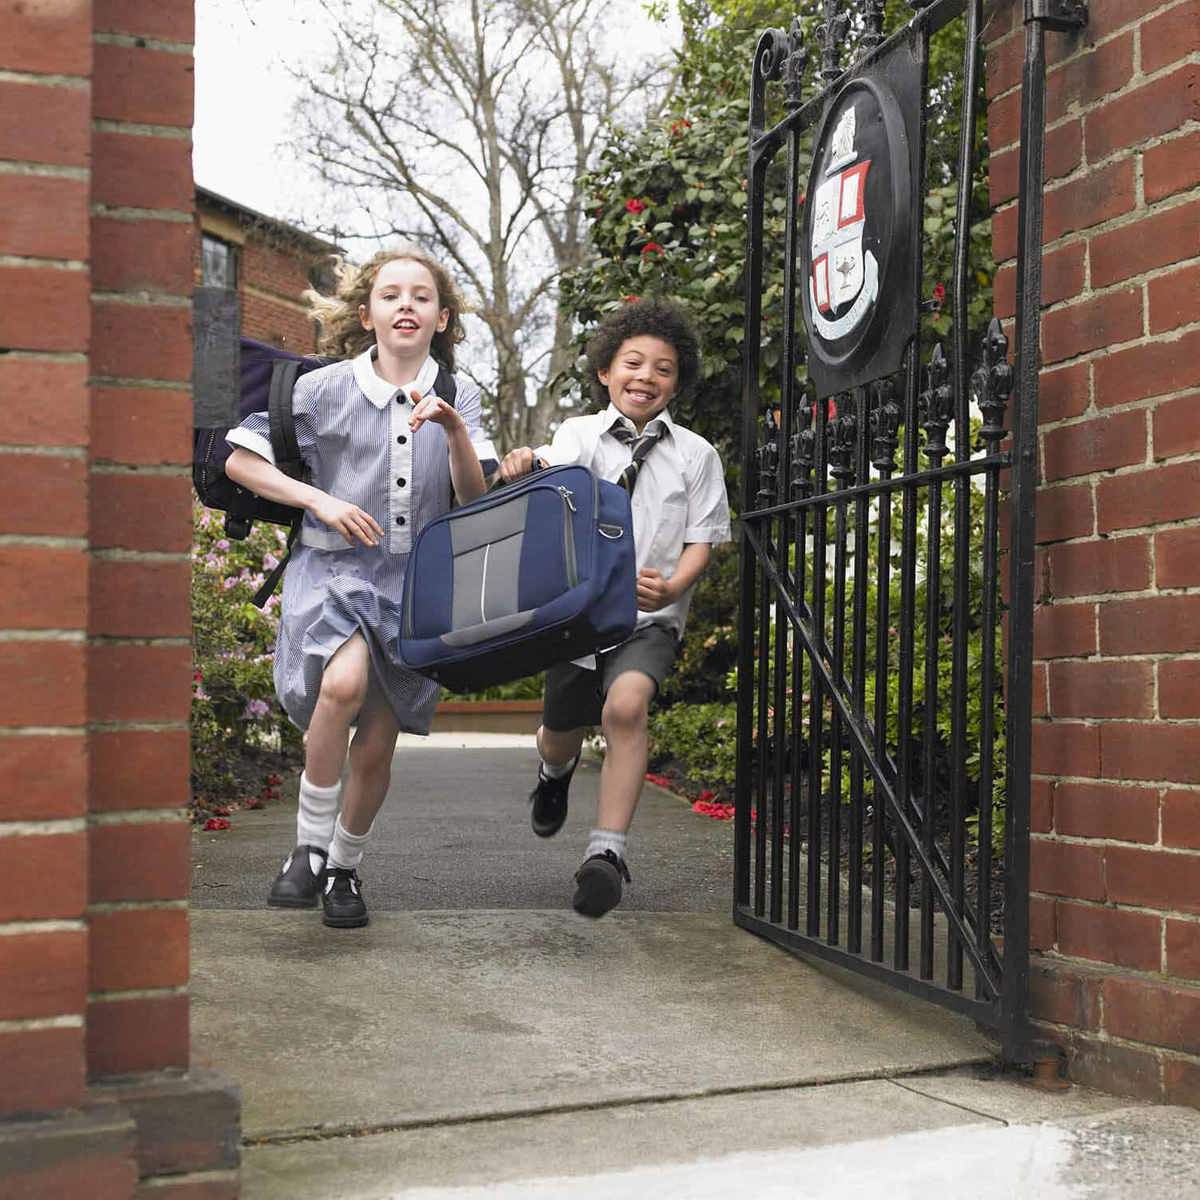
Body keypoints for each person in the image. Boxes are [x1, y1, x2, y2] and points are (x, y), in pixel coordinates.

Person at [224, 248, 494, 928]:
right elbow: (239, 459)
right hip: (334, 572)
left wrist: (455, 429)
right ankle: (308, 849)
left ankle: (344, 869)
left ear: (442, 317)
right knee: (342, 687)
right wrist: (318, 500)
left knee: (377, 738)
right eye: (390, 294)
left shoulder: (460, 394)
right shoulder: (323, 389)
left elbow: (474, 496)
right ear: (367, 312)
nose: (406, 305)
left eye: (422, 296)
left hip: (415, 587)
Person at [496, 299, 730, 917]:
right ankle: (554, 776)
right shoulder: (578, 435)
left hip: (646, 618)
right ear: (605, 370)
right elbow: (550, 476)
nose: (646, 377)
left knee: (627, 709)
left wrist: (676, 586)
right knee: (558, 734)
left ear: (677, 382)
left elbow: (701, 539)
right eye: (633, 363)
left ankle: (606, 854)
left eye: (664, 368)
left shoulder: (697, 456)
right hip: (576, 615)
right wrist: (523, 461)